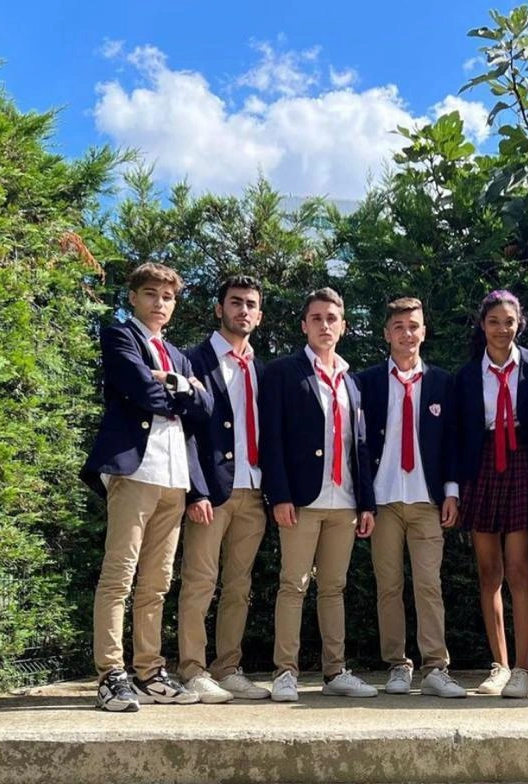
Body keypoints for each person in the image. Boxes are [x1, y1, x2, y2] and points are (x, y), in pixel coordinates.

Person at [81, 262, 213, 712]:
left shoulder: (177, 355)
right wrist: (182, 390)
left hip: (174, 478)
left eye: (168, 297)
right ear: (134, 298)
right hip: (135, 473)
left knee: (157, 582)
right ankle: (110, 675)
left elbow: (205, 409)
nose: (160, 303)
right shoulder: (119, 337)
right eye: (151, 294)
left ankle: (150, 672)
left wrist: (171, 382)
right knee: (119, 575)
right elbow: (143, 392)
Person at [259, 287, 377, 701]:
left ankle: (335, 671)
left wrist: (366, 502)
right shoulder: (283, 372)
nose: (325, 325)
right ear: (304, 325)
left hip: (344, 502)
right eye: (317, 318)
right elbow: (271, 439)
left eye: (332, 318)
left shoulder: (352, 381)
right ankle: (285, 672)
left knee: (334, 588)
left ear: (343, 326)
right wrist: (279, 495)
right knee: (293, 584)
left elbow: (360, 446)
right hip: (302, 500)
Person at [356, 297, 466, 698]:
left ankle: (435, 666)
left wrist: (451, 491)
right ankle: (397, 665)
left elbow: (452, 441)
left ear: (424, 332)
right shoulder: (366, 382)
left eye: (414, 326)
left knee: (428, 585)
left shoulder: (442, 382)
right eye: (399, 327)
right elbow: (357, 445)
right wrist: (363, 501)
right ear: (387, 333)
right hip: (383, 500)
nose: (407, 333)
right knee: (388, 585)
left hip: (427, 499)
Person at [176, 275, 270, 703]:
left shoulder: (262, 370)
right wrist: (195, 491)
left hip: (254, 490)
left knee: (239, 586)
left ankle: (227, 668)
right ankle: (192, 670)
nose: (243, 310)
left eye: (250, 304)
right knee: (199, 581)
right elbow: (184, 432)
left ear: (259, 315)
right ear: (220, 309)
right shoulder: (192, 361)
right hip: (212, 492)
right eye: (235, 302)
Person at [454, 290, 528, 698]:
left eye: (509, 321)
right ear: (482, 325)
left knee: (519, 569)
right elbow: (457, 434)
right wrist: (454, 487)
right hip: (482, 467)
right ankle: (500, 666)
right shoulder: (467, 375)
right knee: (489, 572)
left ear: (519, 323)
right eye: (494, 322)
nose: (502, 329)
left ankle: (523, 670)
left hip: (522, 462)